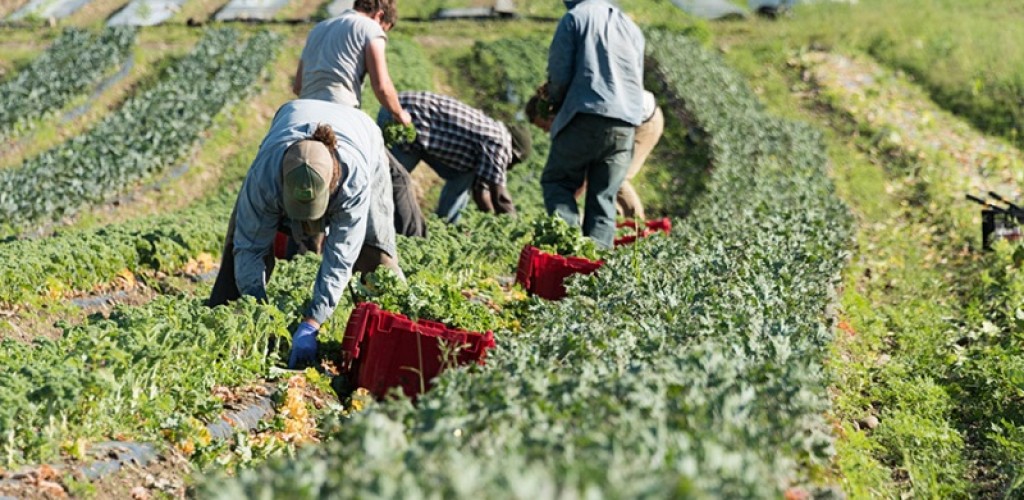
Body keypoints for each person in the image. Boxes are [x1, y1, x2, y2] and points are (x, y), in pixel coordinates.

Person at [207, 99, 400, 369]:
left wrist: (313, 321)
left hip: (363, 135)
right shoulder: (266, 174)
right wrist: (258, 309)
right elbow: (250, 247)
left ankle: (387, 343)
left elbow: (341, 258)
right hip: (293, 116)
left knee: (375, 256)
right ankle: (221, 325)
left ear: (333, 183)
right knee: (239, 240)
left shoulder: (354, 180)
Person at [293, 0, 426, 237]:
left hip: (302, 114)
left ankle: (298, 253)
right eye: (385, 29)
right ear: (380, 15)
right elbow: (382, 86)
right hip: (340, 114)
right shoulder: (369, 28)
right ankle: (410, 242)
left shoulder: (319, 29)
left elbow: (298, 85)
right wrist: (401, 116)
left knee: (305, 185)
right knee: (398, 180)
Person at [537, 0, 646, 248]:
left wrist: (552, 101)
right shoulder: (630, 26)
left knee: (558, 182)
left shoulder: (575, 18)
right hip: (625, 123)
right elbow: (636, 77)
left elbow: (560, 73)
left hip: (586, 114)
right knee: (604, 198)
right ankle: (594, 268)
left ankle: (568, 251)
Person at [377, 91, 532, 224]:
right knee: (387, 184)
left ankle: (444, 226)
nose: (510, 167)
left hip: (408, 115)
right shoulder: (501, 142)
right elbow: (500, 197)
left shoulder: (493, 136)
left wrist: (491, 221)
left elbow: (480, 192)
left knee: (465, 174)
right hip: (402, 116)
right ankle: (373, 225)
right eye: (514, 163)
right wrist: (512, 226)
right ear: (514, 153)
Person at [528, 89, 663, 220]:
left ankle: (639, 230)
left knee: (617, 176)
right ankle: (620, 228)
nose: (546, 132)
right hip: (622, 122)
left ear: (550, 115)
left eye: (544, 127)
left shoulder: (574, 113)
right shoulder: (571, 114)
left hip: (646, 121)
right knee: (603, 175)